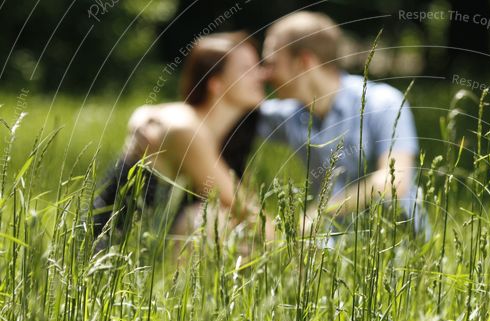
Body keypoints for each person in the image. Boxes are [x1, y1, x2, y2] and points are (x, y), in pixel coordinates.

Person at [225, 11, 425, 239]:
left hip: (393, 246)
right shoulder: (288, 114)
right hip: (326, 246)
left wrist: (321, 213)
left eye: (271, 63)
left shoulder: (383, 103)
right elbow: (229, 113)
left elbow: (394, 181)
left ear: (304, 61)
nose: (264, 74)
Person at [92, 31, 273, 249]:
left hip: (155, 243)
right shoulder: (185, 129)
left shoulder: (238, 128)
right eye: (247, 69)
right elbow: (241, 206)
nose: (261, 75)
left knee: (230, 227)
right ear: (215, 84)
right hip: (114, 249)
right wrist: (295, 243)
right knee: (208, 219)